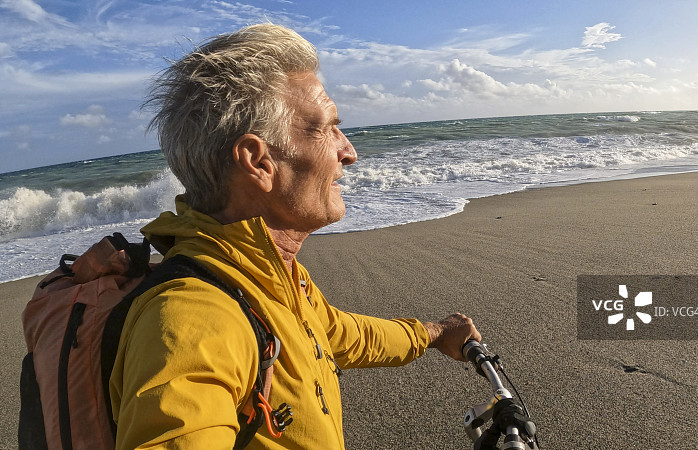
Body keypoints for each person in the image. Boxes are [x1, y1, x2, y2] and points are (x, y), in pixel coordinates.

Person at [109, 23, 481, 449]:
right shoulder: (195, 317)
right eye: (326, 129)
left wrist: (433, 333)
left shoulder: (274, 278)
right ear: (258, 162)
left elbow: (342, 334)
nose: (349, 152)